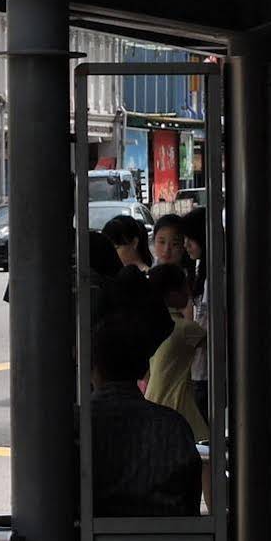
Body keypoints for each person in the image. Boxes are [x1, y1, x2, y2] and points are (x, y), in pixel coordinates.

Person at [89, 313, 201, 517]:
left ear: (91, 367)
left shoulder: (80, 427)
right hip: (171, 537)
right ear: (143, 367)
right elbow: (190, 504)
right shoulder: (175, 429)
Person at [144, 263, 208, 443]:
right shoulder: (185, 329)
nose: (189, 292)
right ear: (172, 294)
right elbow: (218, 344)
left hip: (152, 400)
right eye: (184, 287)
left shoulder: (152, 325)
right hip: (178, 405)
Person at [180, 207, 211, 418]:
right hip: (199, 368)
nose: (186, 245)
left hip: (206, 370)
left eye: (190, 239)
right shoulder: (200, 272)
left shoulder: (214, 277)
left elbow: (204, 326)